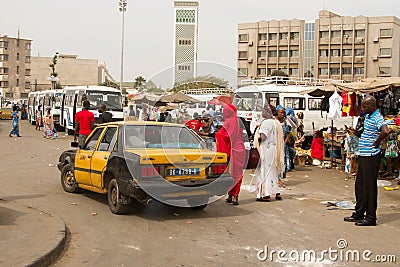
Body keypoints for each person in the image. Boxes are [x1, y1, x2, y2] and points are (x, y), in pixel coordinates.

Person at [344, 96, 389, 226]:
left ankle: (370, 217)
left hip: (371, 156)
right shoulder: (368, 117)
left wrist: (376, 142)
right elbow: (366, 133)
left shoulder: (377, 117)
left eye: (365, 106)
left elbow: (386, 131)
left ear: (372, 105)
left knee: (369, 187)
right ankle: (359, 212)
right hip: (364, 155)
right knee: (360, 185)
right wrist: (355, 132)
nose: (362, 109)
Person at [201, 104, 246, 205]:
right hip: (239, 149)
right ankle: (233, 194)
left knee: (233, 173)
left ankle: (234, 195)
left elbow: (225, 135)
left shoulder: (230, 121)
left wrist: (205, 134)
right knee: (236, 173)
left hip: (234, 150)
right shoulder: (237, 120)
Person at [251, 105, 285, 201]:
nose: (262, 113)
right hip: (272, 149)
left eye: (263, 111)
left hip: (265, 149)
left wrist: (258, 139)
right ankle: (275, 191)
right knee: (272, 171)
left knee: (264, 171)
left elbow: (263, 137)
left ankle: (266, 194)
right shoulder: (275, 122)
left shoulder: (265, 123)